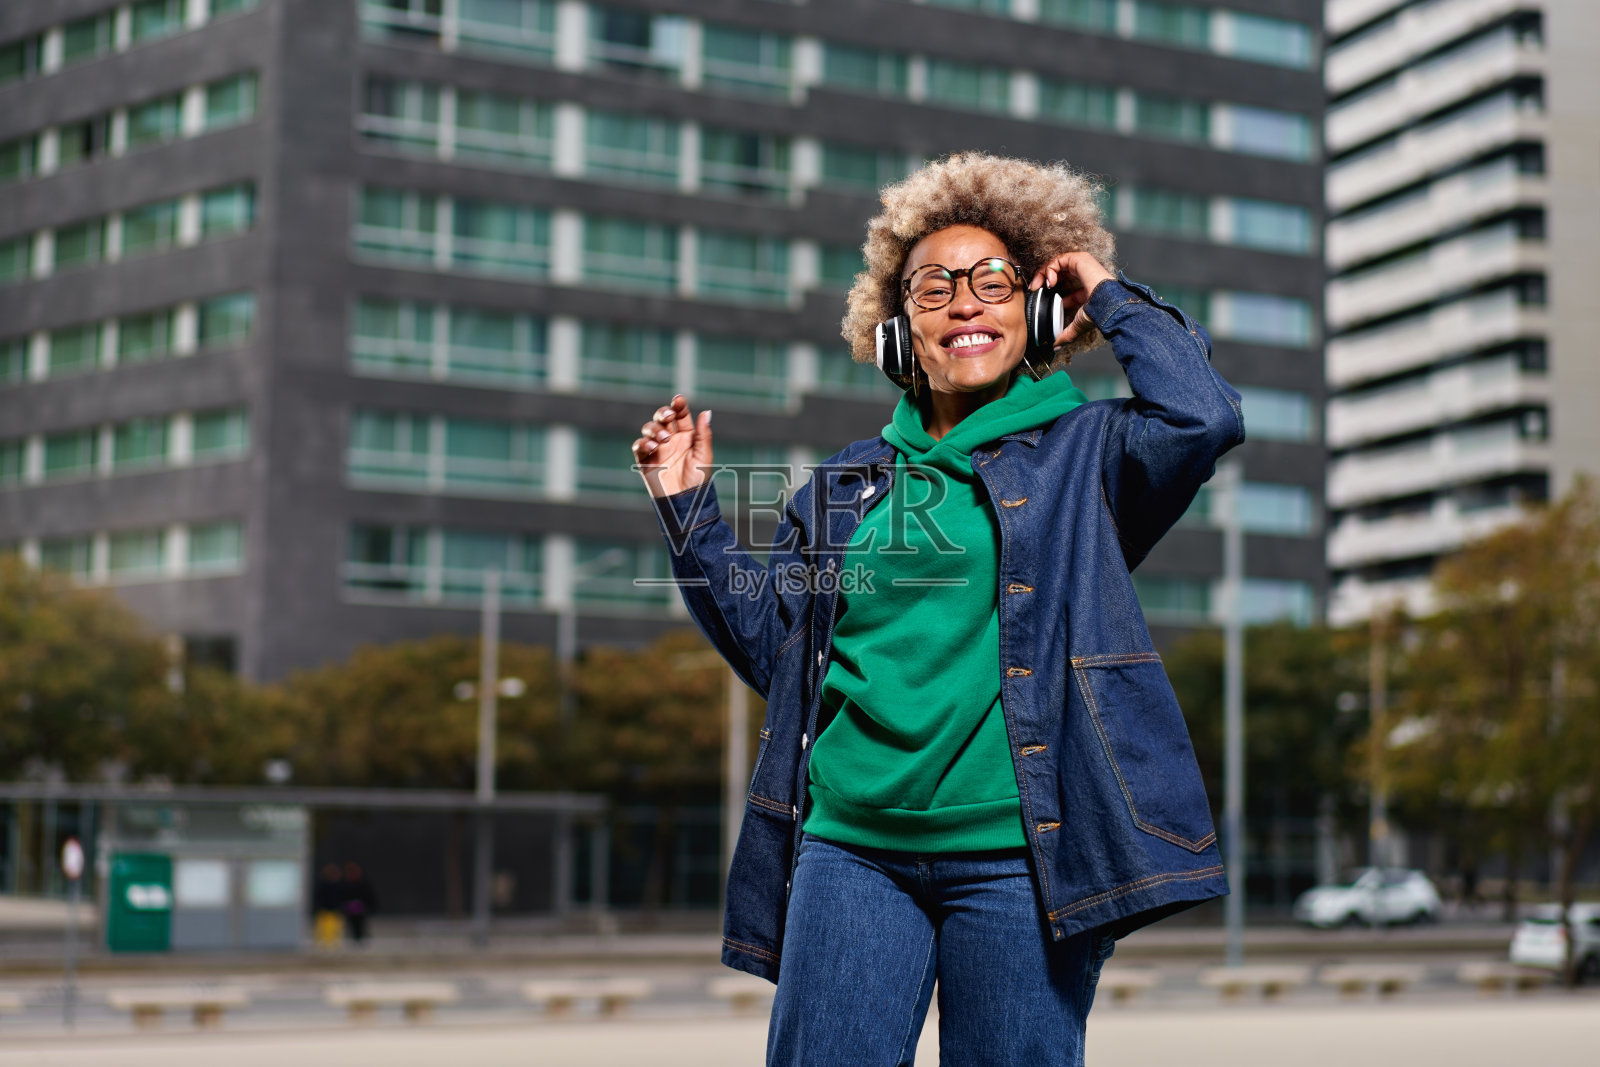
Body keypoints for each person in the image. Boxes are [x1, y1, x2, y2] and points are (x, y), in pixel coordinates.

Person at [632, 153, 1242, 1066]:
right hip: (849, 849)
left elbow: (1204, 417)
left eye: (993, 282)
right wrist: (688, 509)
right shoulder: (843, 484)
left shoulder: (1090, 457)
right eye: (933, 288)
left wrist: (1103, 289)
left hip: (1019, 861)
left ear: (1035, 311)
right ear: (894, 329)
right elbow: (776, 652)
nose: (965, 303)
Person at [341, 861, 377, 945]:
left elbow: (368, 894)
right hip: (350, 907)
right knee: (352, 923)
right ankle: (354, 939)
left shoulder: (362, 882)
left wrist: (368, 904)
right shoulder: (346, 883)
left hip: (360, 907)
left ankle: (362, 939)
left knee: (361, 923)